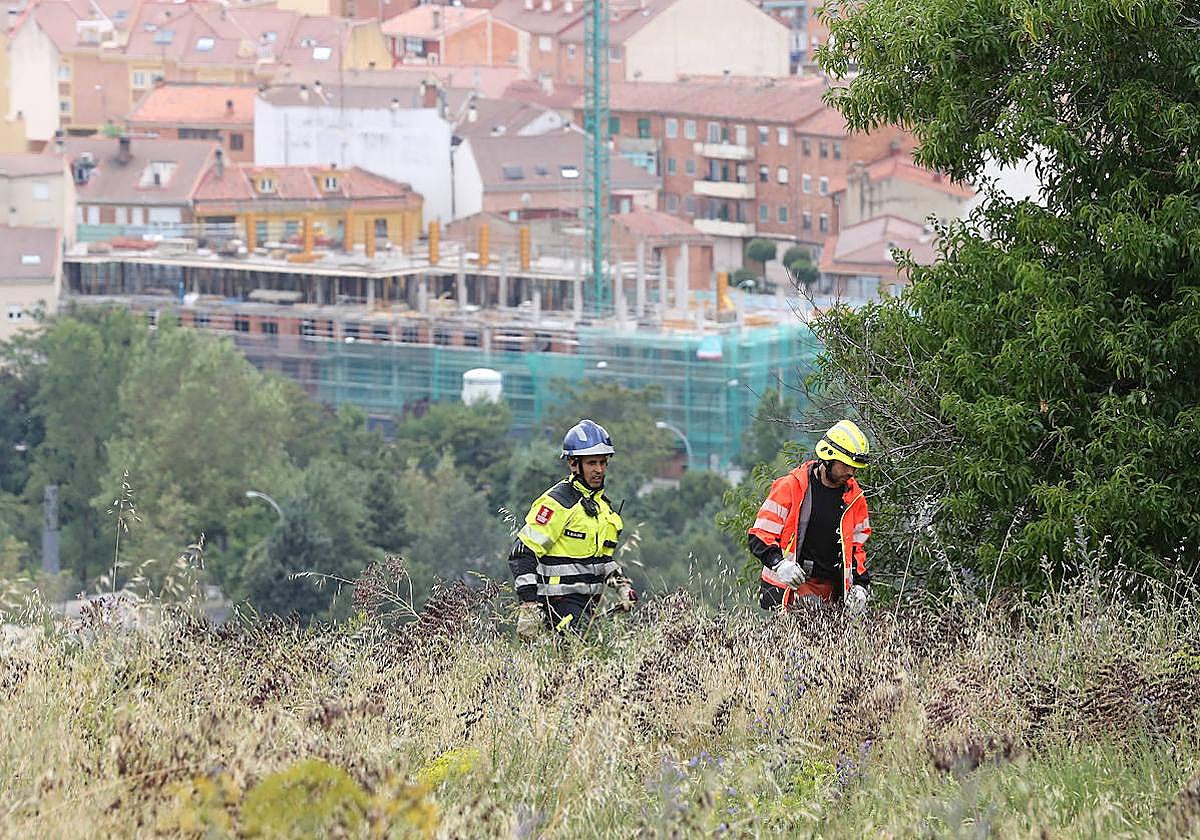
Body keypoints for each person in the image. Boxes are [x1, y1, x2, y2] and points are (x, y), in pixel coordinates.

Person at [508, 419, 637, 640]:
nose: (598, 470)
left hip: (589, 605)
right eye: (591, 463)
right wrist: (529, 607)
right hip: (558, 603)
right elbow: (522, 553)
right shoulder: (557, 503)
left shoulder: (603, 508)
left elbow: (602, 560)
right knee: (585, 659)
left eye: (603, 463)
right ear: (573, 464)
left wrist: (622, 586)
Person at [748, 419, 872, 613]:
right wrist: (779, 565)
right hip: (789, 589)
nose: (851, 472)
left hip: (834, 594)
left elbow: (857, 549)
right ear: (829, 458)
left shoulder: (855, 499)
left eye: (854, 467)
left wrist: (860, 586)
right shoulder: (791, 487)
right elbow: (759, 535)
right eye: (845, 465)